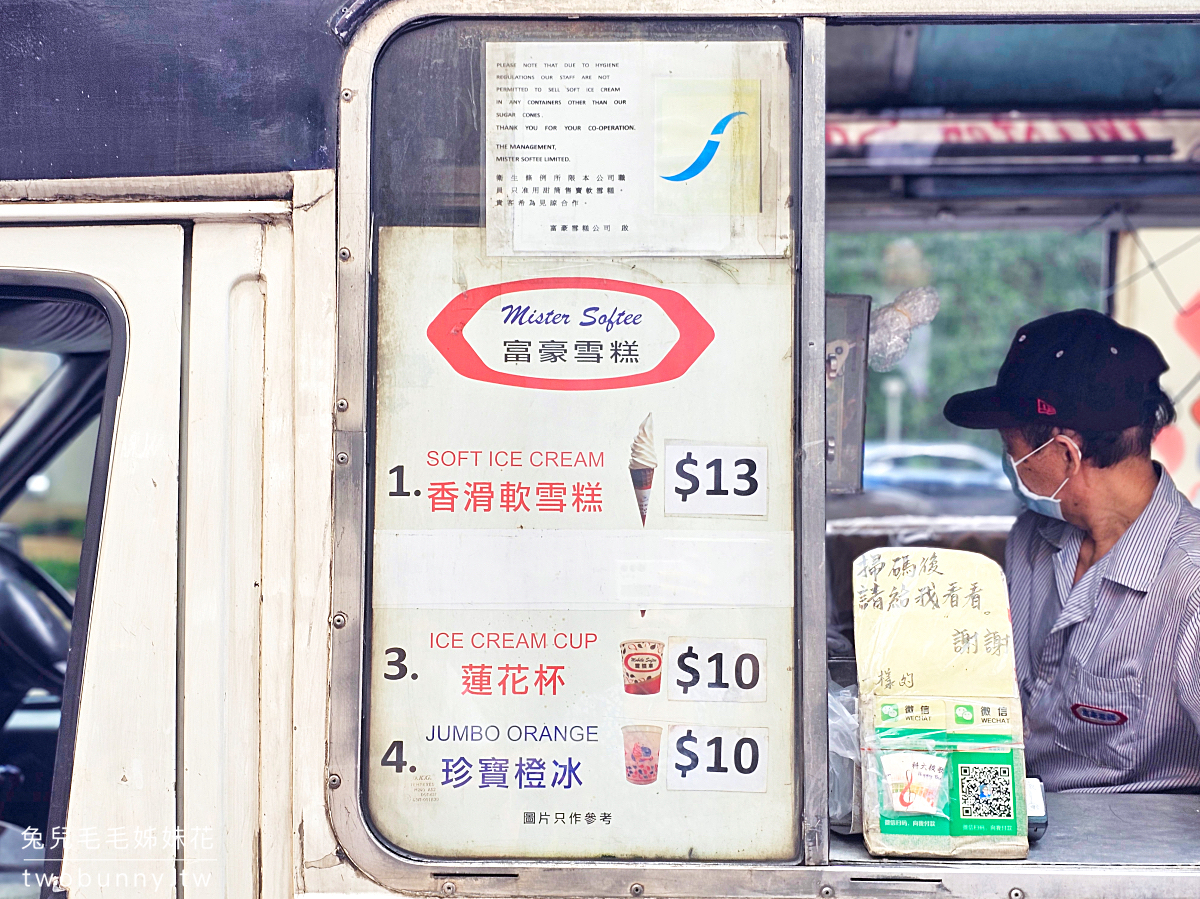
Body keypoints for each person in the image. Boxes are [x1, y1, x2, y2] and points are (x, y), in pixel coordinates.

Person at [943, 308, 1200, 792]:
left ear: (1065, 453)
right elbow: (999, 717)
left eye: (1011, 447)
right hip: (1010, 826)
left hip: (1125, 857)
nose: (1010, 464)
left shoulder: (1191, 584)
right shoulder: (1032, 538)